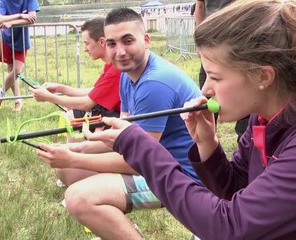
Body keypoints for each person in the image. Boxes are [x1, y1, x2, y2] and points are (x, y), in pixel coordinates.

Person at [82, 1, 296, 239]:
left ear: (262, 76)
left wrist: (140, 146)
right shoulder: (262, 120)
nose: (205, 90)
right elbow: (235, 188)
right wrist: (207, 146)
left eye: (214, 77)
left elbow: (229, 227)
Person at [36, 8, 202, 239]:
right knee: (67, 169)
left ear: (146, 40)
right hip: (160, 165)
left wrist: (75, 156)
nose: (120, 51)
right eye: (112, 44)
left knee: (79, 197)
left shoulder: (154, 84)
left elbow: (139, 160)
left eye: (128, 40)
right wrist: (77, 148)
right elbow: (123, 137)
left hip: (182, 178)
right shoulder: (127, 74)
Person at [29, 17, 121, 120]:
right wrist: (60, 88)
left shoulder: (115, 70)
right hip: (117, 112)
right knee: (72, 111)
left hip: (123, 117)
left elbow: (86, 104)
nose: (85, 49)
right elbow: (95, 92)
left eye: (87, 43)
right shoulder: (111, 65)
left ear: (102, 42)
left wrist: (49, 97)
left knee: (72, 116)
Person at [195, 0, 249, 141]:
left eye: (215, 78)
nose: (204, 90)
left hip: (237, 43)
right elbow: (199, 5)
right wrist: (207, 143)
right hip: (217, 42)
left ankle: (245, 139)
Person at [0, 0, 40, 112]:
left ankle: (2, 92)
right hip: (7, 38)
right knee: (11, 70)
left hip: (22, 40)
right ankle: (18, 101)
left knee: (17, 71)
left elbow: (32, 18)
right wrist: (21, 16)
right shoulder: (4, 1)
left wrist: (11, 22)